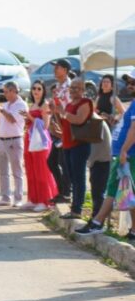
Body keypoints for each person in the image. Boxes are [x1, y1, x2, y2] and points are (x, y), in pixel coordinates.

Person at [78, 69, 135, 242]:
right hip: (125, 153)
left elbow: (134, 129)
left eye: (133, 83)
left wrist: (124, 150)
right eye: (129, 82)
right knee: (129, 192)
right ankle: (133, 231)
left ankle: (97, 222)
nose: (130, 85)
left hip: (128, 155)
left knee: (112, 188)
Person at [53, 78, 94, 219]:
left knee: (78, 178)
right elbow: (64, 123)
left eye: (77, 88)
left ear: (83, 90)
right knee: (71, 177)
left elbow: (79, 120)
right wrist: (57, 113)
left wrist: (63, 112)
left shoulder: (85, 103)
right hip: (68, 145)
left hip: (79, 145)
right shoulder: (70, 104)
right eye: (72, 87)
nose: (73, 90)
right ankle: (74, 207)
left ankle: (77, 209)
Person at [0, 82, 28, 207]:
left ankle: (18, 198)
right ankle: (5, 197)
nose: (4, 94)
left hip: (14, 140)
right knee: (3, 171)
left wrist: (1, 110)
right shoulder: (6, 104)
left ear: (12, 91)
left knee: (17, 171)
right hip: (1, 140)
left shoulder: (21, 105)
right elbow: (1, 121)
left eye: (5, 91)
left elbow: (12, 119)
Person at [20, 80, 57, 212]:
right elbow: (32, 122)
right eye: (34, 88)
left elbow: (45, 126)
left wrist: (29, 117)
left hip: (41, 141)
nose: (36, 91)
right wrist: (27, 119)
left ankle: (45, 200)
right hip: (30, 138)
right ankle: (33, 199)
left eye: (39, 89)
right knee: (31, 169)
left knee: (42, 170)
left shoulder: (45, 105)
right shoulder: (32, 105)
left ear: (43, 91)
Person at [49, 58, 73, 202]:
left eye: (57, 67)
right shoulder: (58, 86)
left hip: (70, 128)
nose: (55, 69)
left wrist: (64, 129)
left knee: (64, 162)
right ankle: (62, 191)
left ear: (65, 70)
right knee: (52, 161)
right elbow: (58, 111)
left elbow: (68, 110)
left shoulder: (69, 87)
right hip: (61, 128)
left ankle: (66, 193)